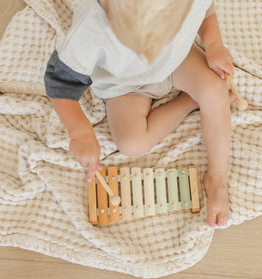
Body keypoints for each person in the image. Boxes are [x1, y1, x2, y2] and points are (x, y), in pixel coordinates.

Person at [44, 0, 237, 227]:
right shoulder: (93, 28)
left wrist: (214, 44)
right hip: (125, 85)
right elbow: (60, 83)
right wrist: (81, 134)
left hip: (176, 59)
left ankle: (216, 178)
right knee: (131, 143)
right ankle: (187, 102)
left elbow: (205, 9)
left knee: (215, 89)